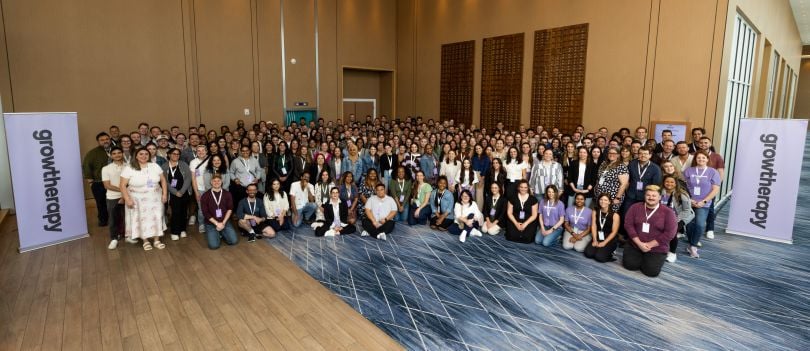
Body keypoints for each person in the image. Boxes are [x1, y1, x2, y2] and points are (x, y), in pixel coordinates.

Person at [623, 185, 678, 277]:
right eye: (648, 195)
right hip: (636, 244)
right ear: (644, 196)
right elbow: (628, 225)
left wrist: (650, 245)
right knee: (629, 266)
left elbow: (670, 233)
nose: (651, 198)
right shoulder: (635, 207)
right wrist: (639, 244)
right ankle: (641, 256)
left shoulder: (668, 212)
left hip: (657, 248)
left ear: (660, 197)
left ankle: (649, 258)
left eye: (654, 195)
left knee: (651, 272)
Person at [119, 147, 168, 251]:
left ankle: (156, 240)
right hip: (137, 199)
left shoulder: (154, 166)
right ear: (136, 156)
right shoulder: (129, 168)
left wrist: (164, 194)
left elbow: (163, 180)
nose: (144, 156)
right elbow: (122, 185)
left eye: (146, 154)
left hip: (155, 198)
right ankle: (145, 240)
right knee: (141, 219)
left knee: (157, 217)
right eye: (141, 154)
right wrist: (127, 199)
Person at [683, 151, 721, 258]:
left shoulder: (713, 172)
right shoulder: (688, 171)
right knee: (689, 224)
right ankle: (692, 244)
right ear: (695, 159)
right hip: (689, 201)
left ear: (707, 159)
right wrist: (689, 200)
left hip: (703, 203)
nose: (701, 159)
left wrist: (703, 201)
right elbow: (682, 187)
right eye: (698, 158)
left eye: (703, 158)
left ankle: (693, 246)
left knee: (699, 224)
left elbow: (715, 189)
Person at [661, 175, 695, 262]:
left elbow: (687, 210)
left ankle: (672, 253)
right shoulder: (660, 192)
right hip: (666, 216)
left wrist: (676, 219)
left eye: (672, 182)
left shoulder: (682, 195)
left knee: (673, 232)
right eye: (667, 182)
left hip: (682, 216)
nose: (669, 184)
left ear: (676, 184)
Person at [199, 174, 239, 249]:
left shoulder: (227, 194)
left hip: (224, 221)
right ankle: (219, 233)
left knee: (234, 241)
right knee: (214, 246)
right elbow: (205, 213)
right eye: (214, 181)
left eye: (218, 181)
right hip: (211, 223)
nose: (216, 182)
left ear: (221, 182)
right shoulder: (205, 195)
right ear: (211, 182)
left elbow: (230, 209)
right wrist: (217, 223)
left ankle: (221, 232)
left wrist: (223, 223)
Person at [82, 132, 112, 226]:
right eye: (102, 140)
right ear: (98, 142)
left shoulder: (115, 150)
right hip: (99, 182)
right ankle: (103, 220)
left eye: (107, 139)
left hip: (114, 181)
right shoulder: (92, 153)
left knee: (114, 202)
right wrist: (90, 182)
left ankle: (114, 220)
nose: (105, 141)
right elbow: (86, 167)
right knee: (101, 202)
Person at [162, 147, 192, 241]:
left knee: (184, 212)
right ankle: (175, 231)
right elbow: (164, 181)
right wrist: (175, 192)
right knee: (175, 213)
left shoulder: (184, 164)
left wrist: (182, 191)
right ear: (169, 155)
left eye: (178, 154)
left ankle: (183, 229)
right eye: (174, 154)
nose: (176, 155)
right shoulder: (164, 166)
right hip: (172, 193)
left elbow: (188, 178)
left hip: (184, 192)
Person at [623, 147, 662, 214]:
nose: (643, 155)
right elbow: (627, 180)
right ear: (638, 155)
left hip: (645, 197)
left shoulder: (656, 168)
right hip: (631, 196)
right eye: (640, 153)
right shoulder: (632, 164)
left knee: (642, 216)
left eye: (645, 154)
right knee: (626, 215)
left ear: (650, 155)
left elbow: (656, 186)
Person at [584, 193, 621, 262]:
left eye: (605, 200)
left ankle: (610, 252)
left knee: (599, 257)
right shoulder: (595, 211)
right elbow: (594, 226)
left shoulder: (615, 215)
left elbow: (614, 232)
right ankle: (600, 249)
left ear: (609, 202)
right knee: (588, 254)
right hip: (598, 235)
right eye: (601, 199)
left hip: (609, 238)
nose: (603, 202)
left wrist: (604, 243)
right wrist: (595, 240)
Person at [101, 146, 125, 249]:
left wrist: (125, 195)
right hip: (112, 197)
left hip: (127, 196)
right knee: (113, 219)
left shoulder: (129, 166)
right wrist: (123, 190)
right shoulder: (106, 168)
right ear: (111, 155)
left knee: (127, 217)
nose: (117, 155)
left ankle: (127, 235)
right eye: (114, 153)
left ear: (122, 153)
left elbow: (131, 183)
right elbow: (107, 185)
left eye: (119, 152)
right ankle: (114, 238)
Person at [594, 146, 629, 212]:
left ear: (618, 155)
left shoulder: (621, 166)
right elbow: (600, 178)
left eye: (614, 153)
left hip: (612, 197)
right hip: (600, 195)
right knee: (600, 214)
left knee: (610, 215)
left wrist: (617, 198)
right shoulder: (604, 164)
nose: (611, 155)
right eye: (610, 153)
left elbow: (623, 184)